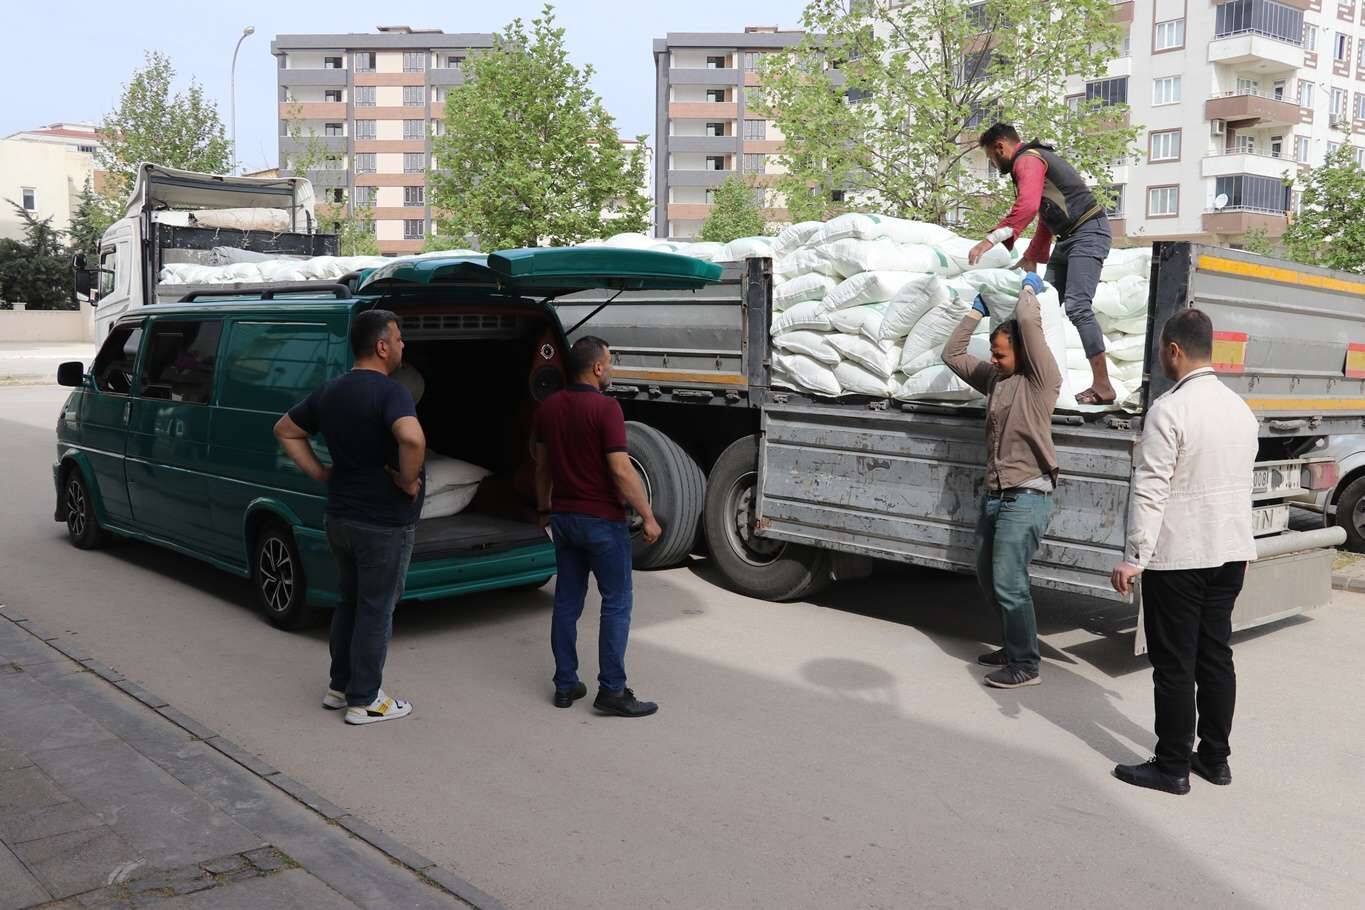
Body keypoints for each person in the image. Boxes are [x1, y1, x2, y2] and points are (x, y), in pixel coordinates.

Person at [1110, 309, 1258, 795]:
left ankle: (1171, 766)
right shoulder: (1240, 410)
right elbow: (1241, 486)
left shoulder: (1169, 410)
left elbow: (1151, 489)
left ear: (1173, 350)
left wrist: (1135, 557)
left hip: (1180, 557)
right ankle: (1214, 759)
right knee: (1215, 657)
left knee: (1174, 664)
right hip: (1229, 553)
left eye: (1161, 349)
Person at [274, 309, 426, 726]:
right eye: (398, 338)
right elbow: (412, 438)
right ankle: (366, 700)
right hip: (382, 522)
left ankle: (339, 687)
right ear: (382, 346)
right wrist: (408, 481)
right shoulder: (392, 392)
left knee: (350, 601)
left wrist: (320, 472)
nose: (403, 345)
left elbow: (285, 429)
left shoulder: (331, 391)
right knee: (376, 608)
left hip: (340, 516)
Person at [943, 273, 1062, 689]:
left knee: (1010, 583)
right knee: (988, 577)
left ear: (1023, 353)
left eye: (1000, 354)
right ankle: (1013, 647)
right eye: (992, 353)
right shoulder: (995, 380)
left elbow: (1027, 323)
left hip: (1026, 496)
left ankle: (1026, 664)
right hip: (995, 496)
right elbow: (951, 354)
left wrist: (1028, 290)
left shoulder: (1040, 381)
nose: (993, 360)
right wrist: (975, 312)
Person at [533, 336, 662, 717]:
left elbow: (542, 466)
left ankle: (565, 684)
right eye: (610, 361)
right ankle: (612, 690)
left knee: (567, 602)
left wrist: (544, 508)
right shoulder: (606, 409)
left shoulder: (548, 408)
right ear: (597, 368)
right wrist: (648, 516)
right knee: (617, 602)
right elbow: (620, 469)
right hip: (602, 521)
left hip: (564, 518)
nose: (612, 368)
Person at [969, 122, 1116, 406]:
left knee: (1077, 305)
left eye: (991, 158)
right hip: (1067, 237)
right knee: (1039, 305)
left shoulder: (1027, 160)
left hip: (1088, 232)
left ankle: (1103, 386)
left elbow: (1026, 207)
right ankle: (1029, 378)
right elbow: (1046, 218)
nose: (993, 164)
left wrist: (989, 240)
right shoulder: (1033, 160)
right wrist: (1032, 256)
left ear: (1000, 147)